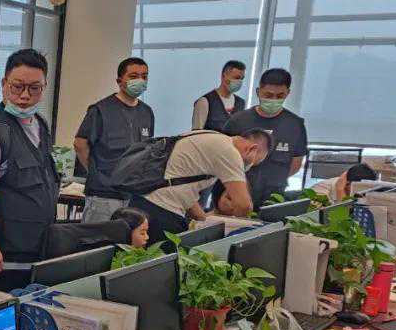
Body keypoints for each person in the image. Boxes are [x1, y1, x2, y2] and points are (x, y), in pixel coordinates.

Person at [0, 49, 58, 291]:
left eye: (34, 88)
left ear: (44, 87)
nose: (25, 95)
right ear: (4, 84)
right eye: (17, 87)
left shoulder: (41, 125)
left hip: (34, 255)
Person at [124, 130, 271, 245]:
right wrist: (243, 231)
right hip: (161, 212)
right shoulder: (229, 152)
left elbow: (182, 189)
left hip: (146, 202)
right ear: (252, 148)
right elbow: (243, 205)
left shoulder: (212, 138)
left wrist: (205, 221)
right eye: (253, 163)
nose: (248, 168)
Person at [74, 57, 155, 222]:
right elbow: (80, 144)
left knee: (128, 238)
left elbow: (147, 150)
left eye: (144, 76)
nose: (140, 80)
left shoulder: (147, 112)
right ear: (119, 81)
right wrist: (96, 173)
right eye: (133, 76)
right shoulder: (101, 110)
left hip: (133, 196)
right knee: (98, 237)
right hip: (103, 196)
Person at [224, 68, 308, 208]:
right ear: (258, 92)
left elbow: (296, 163)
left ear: (288, 93)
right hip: (236, 194)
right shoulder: (238, 121)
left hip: (274, 198)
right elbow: (221, 158)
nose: (273, 100)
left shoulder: (295, 125)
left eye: (280, 95)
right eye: (268, 95)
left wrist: (274, 179)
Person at [192, 60, 247, 131]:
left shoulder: (241, 103)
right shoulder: (205, 102)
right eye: (236, 78)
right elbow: (196, 134)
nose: (239, 82)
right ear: (223, 76)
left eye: (242, 79)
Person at [309, 163, 379, 203]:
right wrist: (340, 190)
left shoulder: (358, 191)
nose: (363, 194)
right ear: (347, 183)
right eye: (360, 188)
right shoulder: (319, 192)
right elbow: (340, 220)